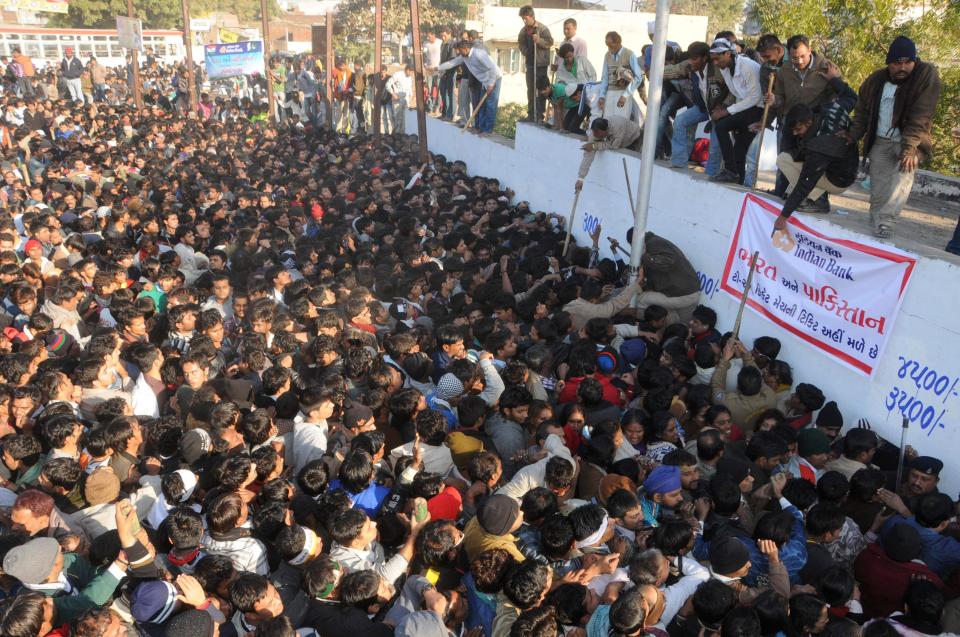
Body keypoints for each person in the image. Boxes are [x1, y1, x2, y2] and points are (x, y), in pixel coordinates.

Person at [847, 36, 941, 239]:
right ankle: (876, 223)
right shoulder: (875, 80)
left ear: (914, 62)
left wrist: (910, 148)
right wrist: (852, 136)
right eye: (897, 63)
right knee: (878, 188)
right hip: (880, 140)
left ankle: (886, 222)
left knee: (902, 178)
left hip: (910, 140)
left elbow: (921, 113)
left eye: (908, 62)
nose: (903, 67)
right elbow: (861, 112)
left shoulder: (925, 74)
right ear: (889, 64)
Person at [772, 66, 860, 229]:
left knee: (783, 160)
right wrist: (834, 79)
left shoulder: (820, 144)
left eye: (799, 130)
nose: (797, 134)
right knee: (793, 157)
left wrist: (784, 216)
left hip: (839, 180)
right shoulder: (830, 109)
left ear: (809, 122)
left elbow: (805, 182)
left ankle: (818, 200)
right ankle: (814, 194)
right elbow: (851, 96)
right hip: (844, 166)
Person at [707, 39, 764, 185]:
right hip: (744, 107)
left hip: (757, 109)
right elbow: (737, 93)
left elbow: (755, 97)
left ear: (728, 54)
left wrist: (727, 111)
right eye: (712, 59)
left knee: (721, 126)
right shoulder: (724, 68)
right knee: (739, 150)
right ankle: (737, 181)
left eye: (717, 58)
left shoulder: (748, 66)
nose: (715, 62)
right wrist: (726, 108)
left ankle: (730, 171)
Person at [431, 40, 502, 135]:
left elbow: (492, 68)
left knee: (490, 104)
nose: (458, 53)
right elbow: (452, 63)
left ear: (465, 49)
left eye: (460, 50)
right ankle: (481, 128)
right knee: (482, 105)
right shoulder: (464, 57)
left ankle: (488, 130)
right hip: (484, 81)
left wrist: (491, 83)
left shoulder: (479, 54)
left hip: (494, 78)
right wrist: (438, 68)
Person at [545, 42, 596, 135]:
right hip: (573, 98)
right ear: (563, 57)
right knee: (569, 126)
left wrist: (587, 89)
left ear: (573, 53)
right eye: (566, 57)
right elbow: (558, 83)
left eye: (570, 56)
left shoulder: (582, 60)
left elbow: (593, 75)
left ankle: (592, 133)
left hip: (588, 92)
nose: (569, 59)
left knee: (593, 116)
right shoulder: (561, 69)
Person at [517, 5, 554, 125]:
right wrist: (525, 51)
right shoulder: (523, 31)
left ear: (532, 16)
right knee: (530, 90)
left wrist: (539, 41)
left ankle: (540, 115)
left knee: (540, 90)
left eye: (525, 18)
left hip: (541, 64)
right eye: (522, 19)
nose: (524, 21)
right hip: (530, 64)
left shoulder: (542, 29)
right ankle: (531, 115)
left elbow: (550, 42)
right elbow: (520, 44)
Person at [598, 31, 644, 123]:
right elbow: (605, 77)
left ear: (618, 43)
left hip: (623, 92)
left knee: (621, 122)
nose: (609, 48)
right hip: (610, 92)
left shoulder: (629, 54)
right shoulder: (607, 55)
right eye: (607, 46)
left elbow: (638, 77)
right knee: (607, 122)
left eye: (611, 45)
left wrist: (625, 95)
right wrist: (602, 96)